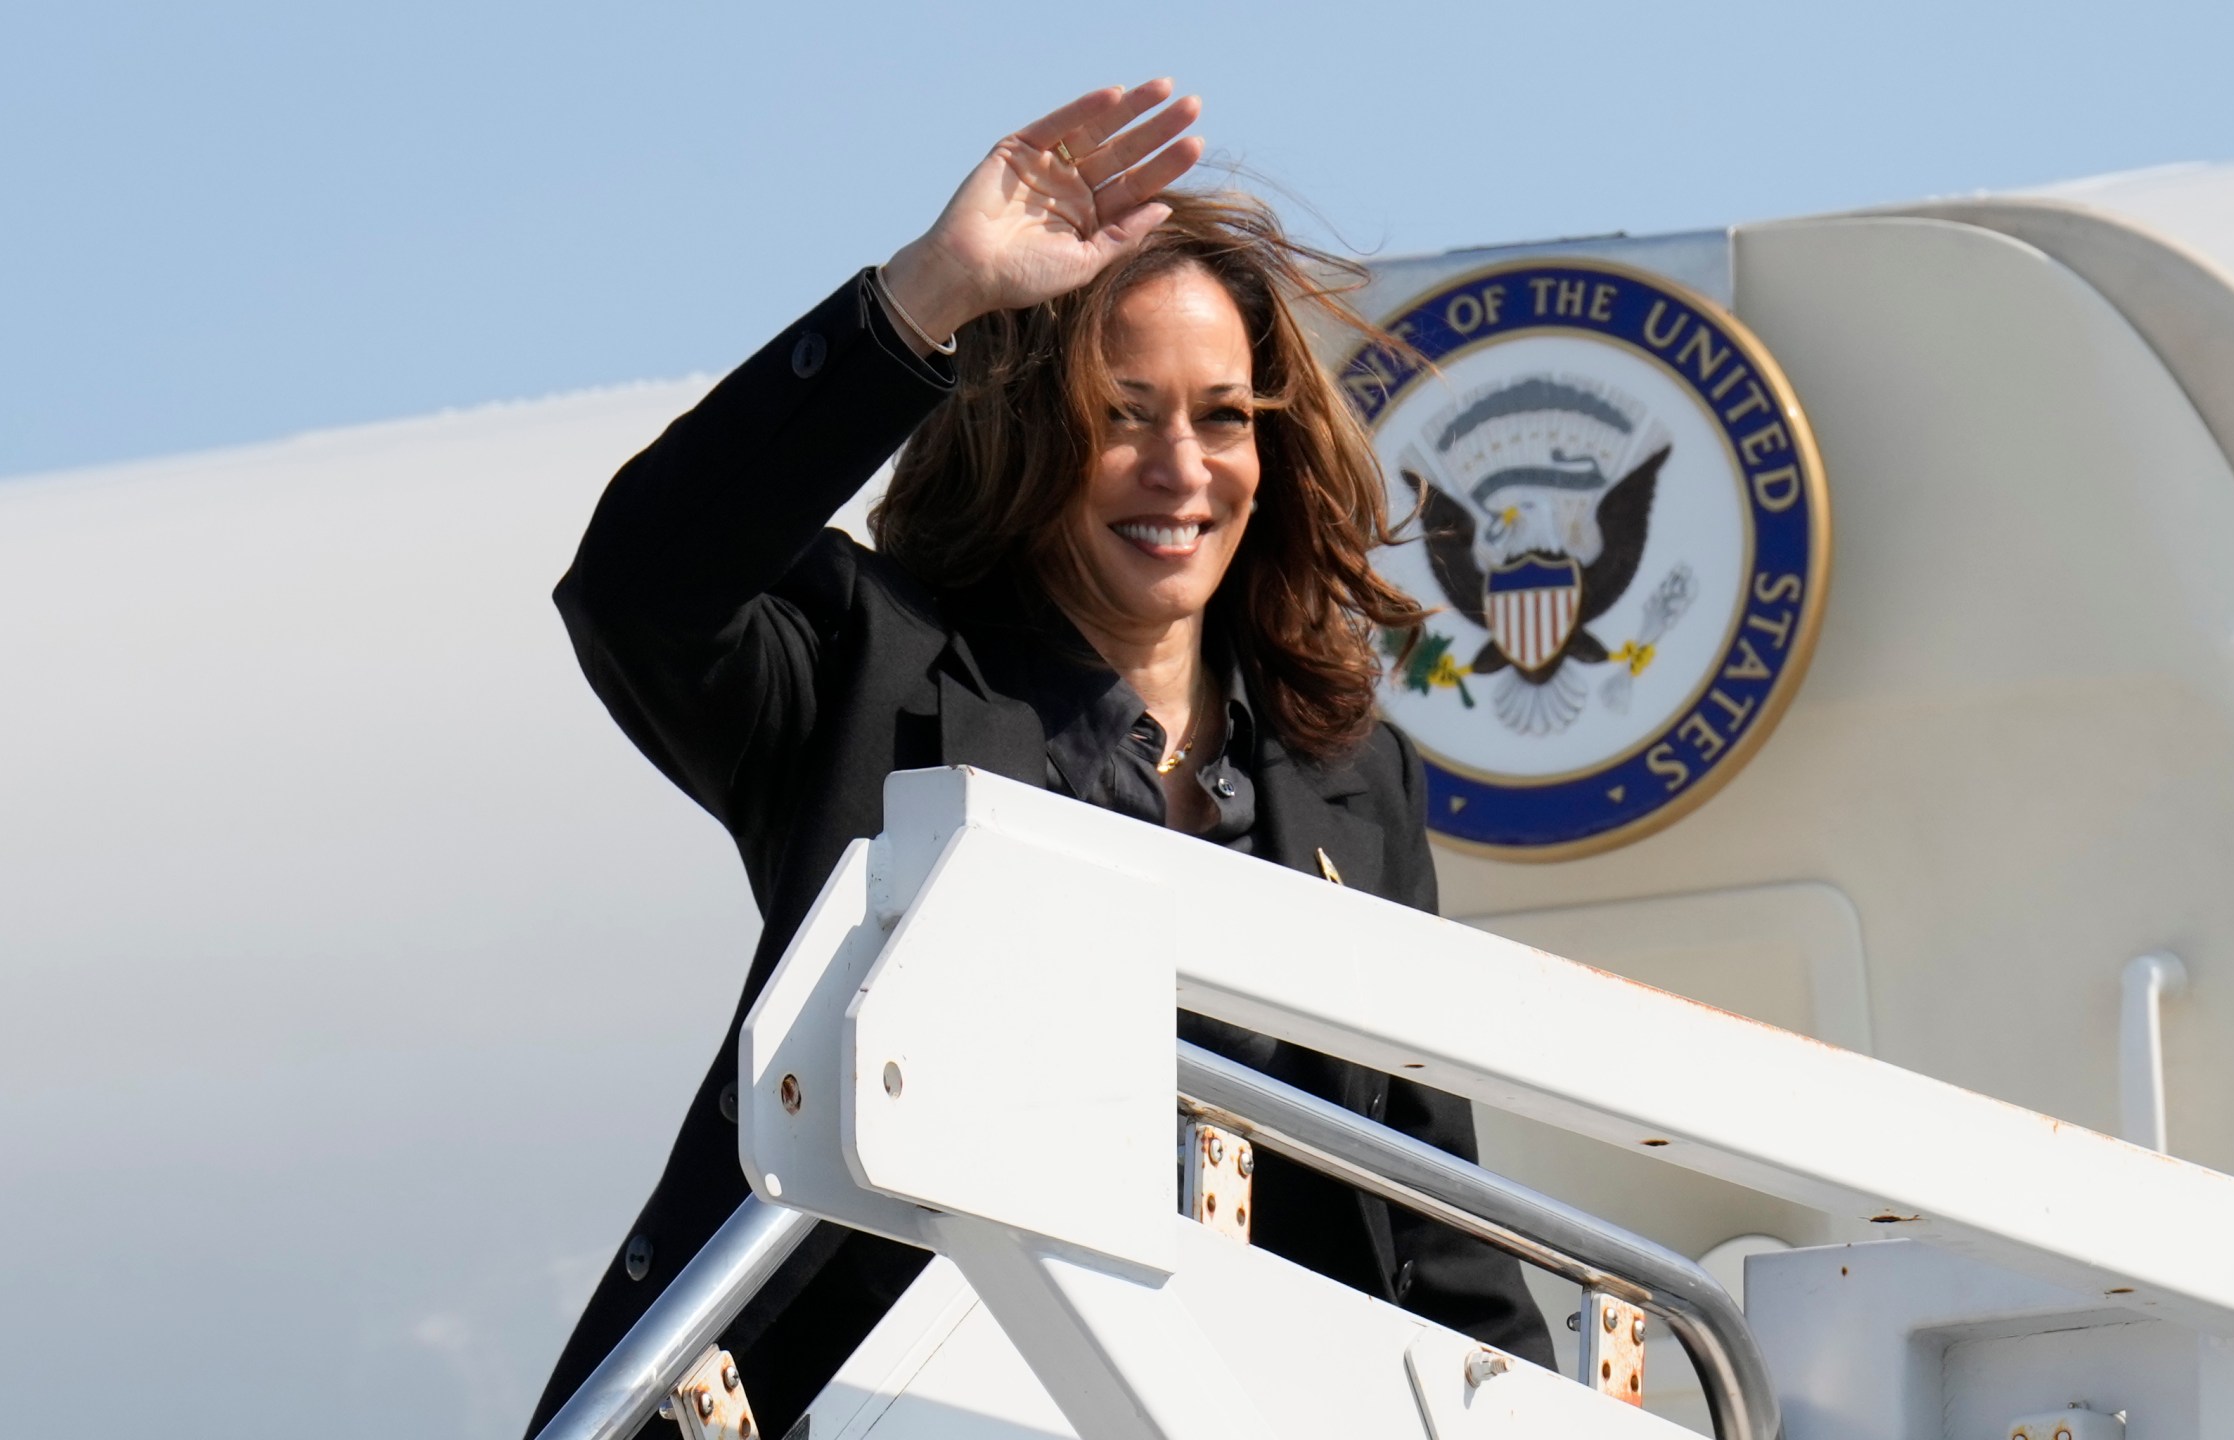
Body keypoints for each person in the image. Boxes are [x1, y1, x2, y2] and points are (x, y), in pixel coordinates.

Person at [526, 80, 1552, 1438]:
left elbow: (1434, 1225)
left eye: (1223, 416)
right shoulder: (865, 673)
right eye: (1124, 413)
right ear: (1029, 433)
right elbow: (640, 584)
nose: (1180, 468)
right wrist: (933, 291)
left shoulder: (1350, 777)